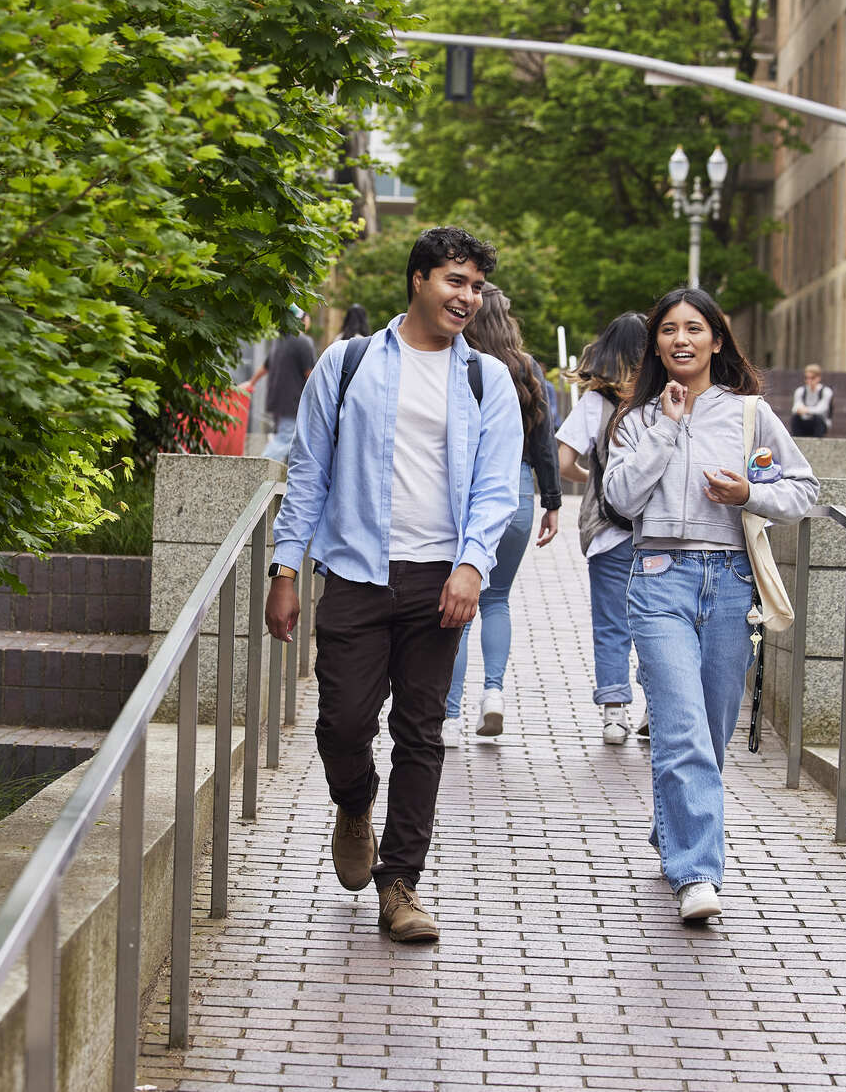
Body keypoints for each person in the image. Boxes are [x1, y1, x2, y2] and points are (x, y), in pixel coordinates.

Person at [266, 227, 522, 944]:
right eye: (454, 281)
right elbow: (309, 472)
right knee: (341, 722)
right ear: (417, 279)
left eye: (476, 286)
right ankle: (354, 802)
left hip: (440, 580)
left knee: (421, 729)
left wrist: (472, 564)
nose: (467, 297)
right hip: (353, 571)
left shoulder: (486, 379)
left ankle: (400, 884)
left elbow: (498, 488)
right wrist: (285, 569)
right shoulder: (347, 364)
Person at [602, 287, 818, 922]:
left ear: (716, 340)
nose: (681, 340)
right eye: (668, 330)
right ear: (656, 345)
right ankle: (697, 873)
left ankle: (672, 828)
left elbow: (804, 491)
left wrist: (749, 491)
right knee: (682, 727)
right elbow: (621, 499)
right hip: (660, 576)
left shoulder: (750, 415)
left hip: (729, 584)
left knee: (713, 733)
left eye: (693, 328)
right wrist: (666, 429)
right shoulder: (638, 420)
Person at [442, 286, 562, 748]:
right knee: (496, 601)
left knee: (455, 611)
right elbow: (544, 441)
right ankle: (493, 694)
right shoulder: (526, 368)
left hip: (467, 493)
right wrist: (551, 500)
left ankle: (449, 718)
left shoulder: (458, 362)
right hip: (517, 494)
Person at [554, 311, 648, 744]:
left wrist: (594, 477)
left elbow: (562, 463)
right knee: (658, 622)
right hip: (659, 533)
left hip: (609, 533)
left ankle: (615, 713)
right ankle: (656, 708)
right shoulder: (666, 399)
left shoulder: (595, 402)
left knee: (612, 623)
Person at [246, 310, 316, 464]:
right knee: (285, 438)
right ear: (301, 320)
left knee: (290, 440)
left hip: (277, 400)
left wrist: (252, 382)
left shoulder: (279, 340)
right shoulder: (303, 341)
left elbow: (266, 366)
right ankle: (257, 467)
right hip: (293, 401)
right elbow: (310, 374)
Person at [788, 363, 833, 438]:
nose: (809, 381)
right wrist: (802, 410)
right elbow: (795, 407)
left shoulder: (826, 391)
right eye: (807, 378)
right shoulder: (801, 391)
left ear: (818, 378)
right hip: (804, 421)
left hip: (820, 424)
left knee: (818, 419)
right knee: (795, 418)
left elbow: (822, 409)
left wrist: (806, 410)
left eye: (812, 378)